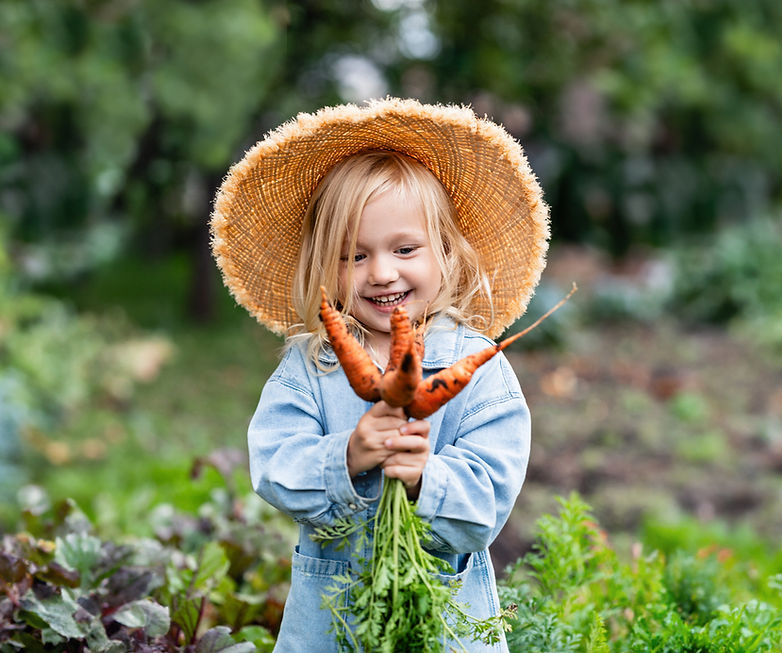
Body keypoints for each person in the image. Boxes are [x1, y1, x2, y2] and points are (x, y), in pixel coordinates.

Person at [210, 98, 550, 652]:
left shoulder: (481, 367)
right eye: (353, 256)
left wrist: (424, 476)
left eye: (405, 249)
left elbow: (487, 505)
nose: (382, 273)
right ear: (324, 266)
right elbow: (273, 467)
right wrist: (347, 455)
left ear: (446, 252)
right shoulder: (312, 364)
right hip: (331, 624)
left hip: (442, 623)